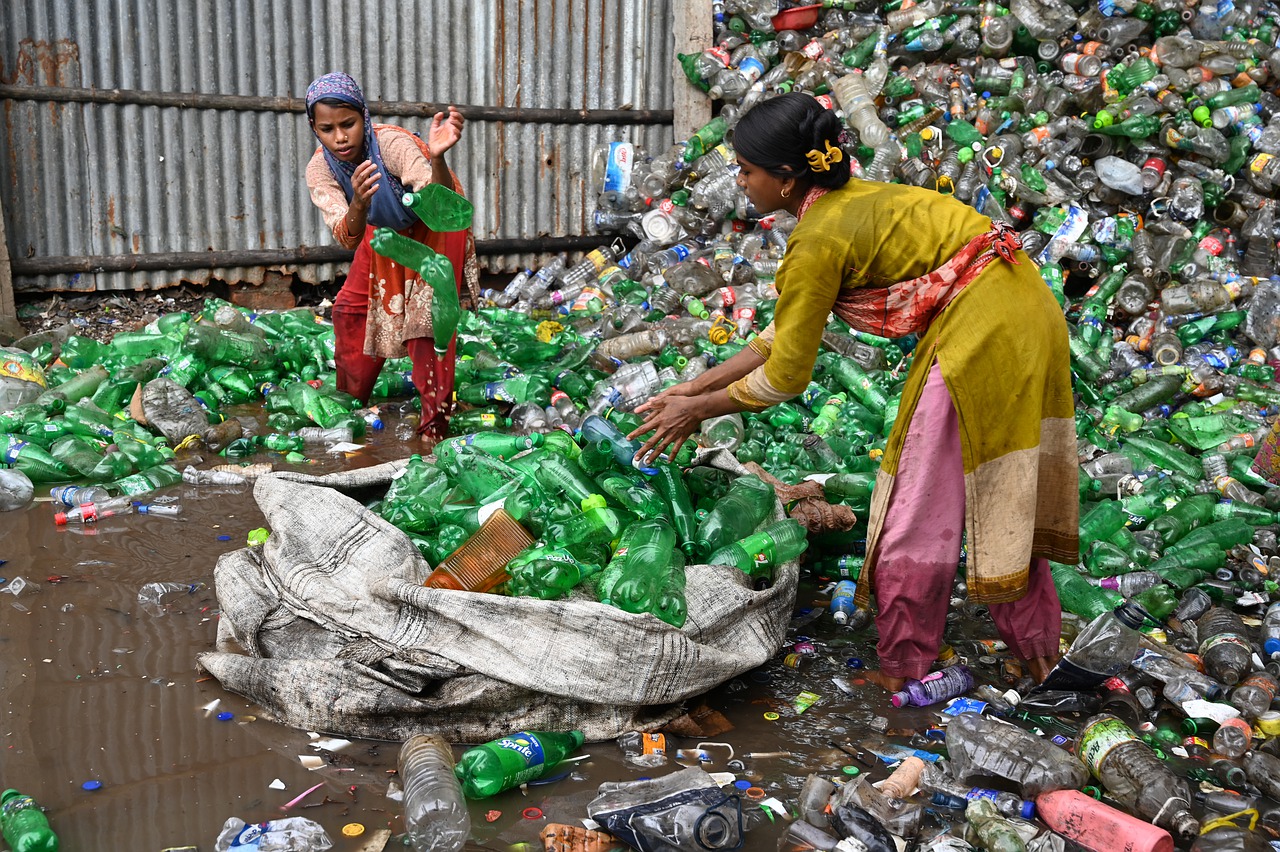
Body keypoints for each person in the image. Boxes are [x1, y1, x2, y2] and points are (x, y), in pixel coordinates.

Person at [630, 93, 1078, 690]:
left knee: (918, 505)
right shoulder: (845, 204)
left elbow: (787, 376)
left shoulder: (819, 236)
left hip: (986, 329)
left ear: (787, 180)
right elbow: (779, 336)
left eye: (747, 170)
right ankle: (1038, 652)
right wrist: (695, 387)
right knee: (1005, 484)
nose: (740, 183)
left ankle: (905, 668)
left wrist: (699, 412)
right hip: (1024, 307)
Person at [304, 72, 479, 446]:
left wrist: (435, 158)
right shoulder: (321, 169)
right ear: (314, 129)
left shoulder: (392, 144)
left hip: (435, 221)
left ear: (364, 117)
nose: (339, 137)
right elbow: (346, 235)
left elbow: (435, 196)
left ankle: (434, 428)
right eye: (327, 128)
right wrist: (358, 203)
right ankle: (349, 408)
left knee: (427, 324)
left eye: (348, 124)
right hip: (382, 223)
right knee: (350, 310)